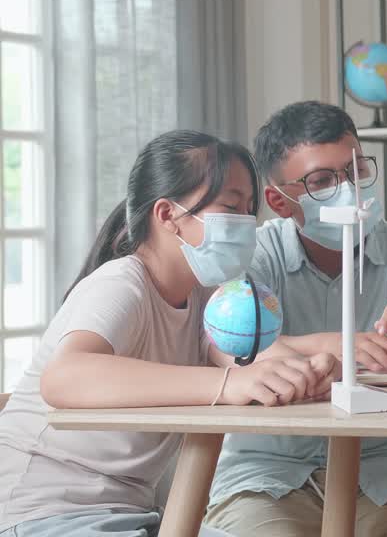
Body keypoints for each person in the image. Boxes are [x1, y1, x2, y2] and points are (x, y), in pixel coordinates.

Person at [0, 130, 337, 537]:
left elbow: (249, 359)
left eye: (249, 210)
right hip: (42, 514)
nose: (245, 223)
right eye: (230, 207)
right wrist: (228, 383)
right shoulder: (122, 283)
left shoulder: (203, 297)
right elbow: (64, 377)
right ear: (166, 215)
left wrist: (306, 370)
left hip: (131, 513)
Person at [203, 101, 387, 537]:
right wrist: (330, 345)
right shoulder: (257, 254)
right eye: (322, 181)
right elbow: (227, 347)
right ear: (278, 200)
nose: (348, 189)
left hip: (383, 470)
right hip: (266, 474)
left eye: (355, 171)